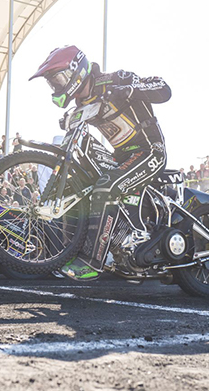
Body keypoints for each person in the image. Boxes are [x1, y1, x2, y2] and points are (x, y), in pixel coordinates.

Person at [29, 45, 171, 280]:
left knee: (106, 186)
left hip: (150, 152)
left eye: (58, 79)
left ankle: (92, 261)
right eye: (52, 83)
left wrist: (130, 89)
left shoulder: (116, 79)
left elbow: (163, 90)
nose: (56, 86)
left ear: (76, 70)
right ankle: (67, 254)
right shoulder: (82, 105)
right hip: (121, 157)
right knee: (78, 187)